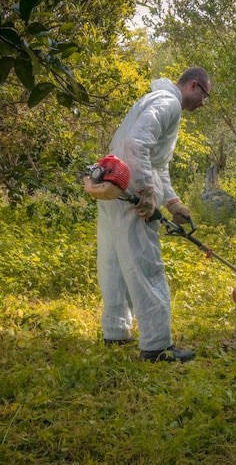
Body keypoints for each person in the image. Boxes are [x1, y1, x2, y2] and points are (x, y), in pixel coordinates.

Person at [96, 67, 211, 363]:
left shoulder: (155, 100)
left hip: (113, 188)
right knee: (146, 263)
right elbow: (137, 146)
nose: (203, 103)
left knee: (115, 261)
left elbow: (157, 162)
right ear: (194, 86)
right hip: (132, 195)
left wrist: (173, 203)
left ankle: (116, 330)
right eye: (205, 96)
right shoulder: (168, 103)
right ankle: (157, 345)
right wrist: (146, 192)